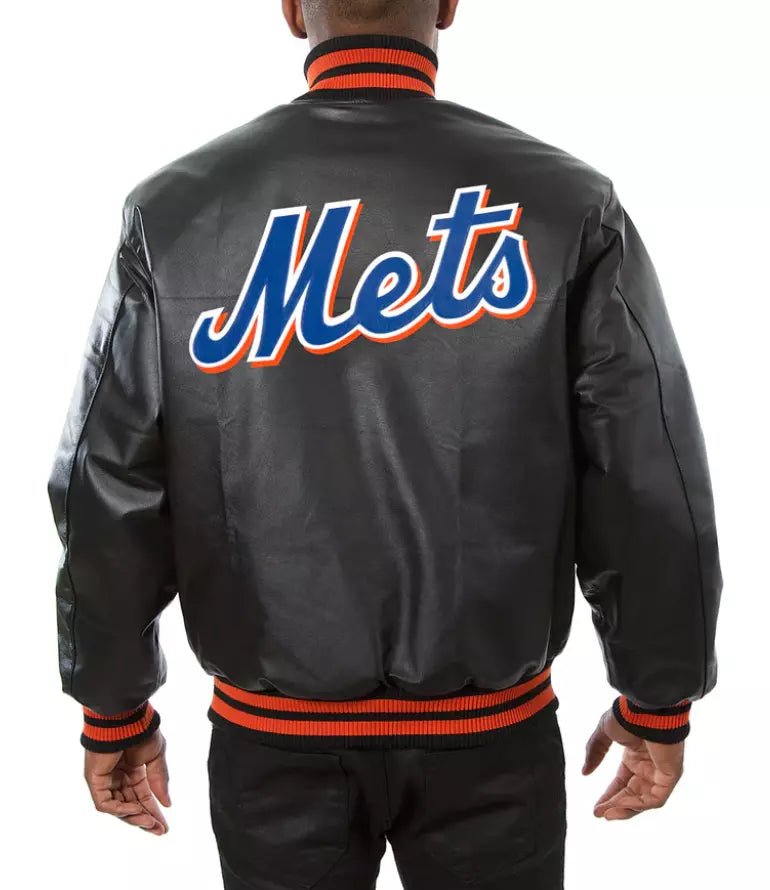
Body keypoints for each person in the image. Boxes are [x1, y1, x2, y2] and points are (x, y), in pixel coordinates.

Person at [47, 1, 722, 887]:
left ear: (293, 10)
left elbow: (107, 481)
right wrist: (657, 694)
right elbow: (644, 471)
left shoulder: (173, 212)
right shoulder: (568, 205)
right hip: (493, 740)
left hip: (273, 747)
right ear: (447, 5)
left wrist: (113, 706)